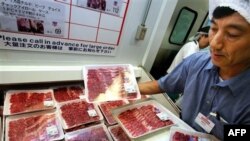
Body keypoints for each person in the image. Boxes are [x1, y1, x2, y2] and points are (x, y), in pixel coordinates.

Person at [139, 0, 250, 140]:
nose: (215, 43)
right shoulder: (196, 62)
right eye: (214, 29)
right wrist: (128, 89)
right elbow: (162, 84)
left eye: (232, 34)